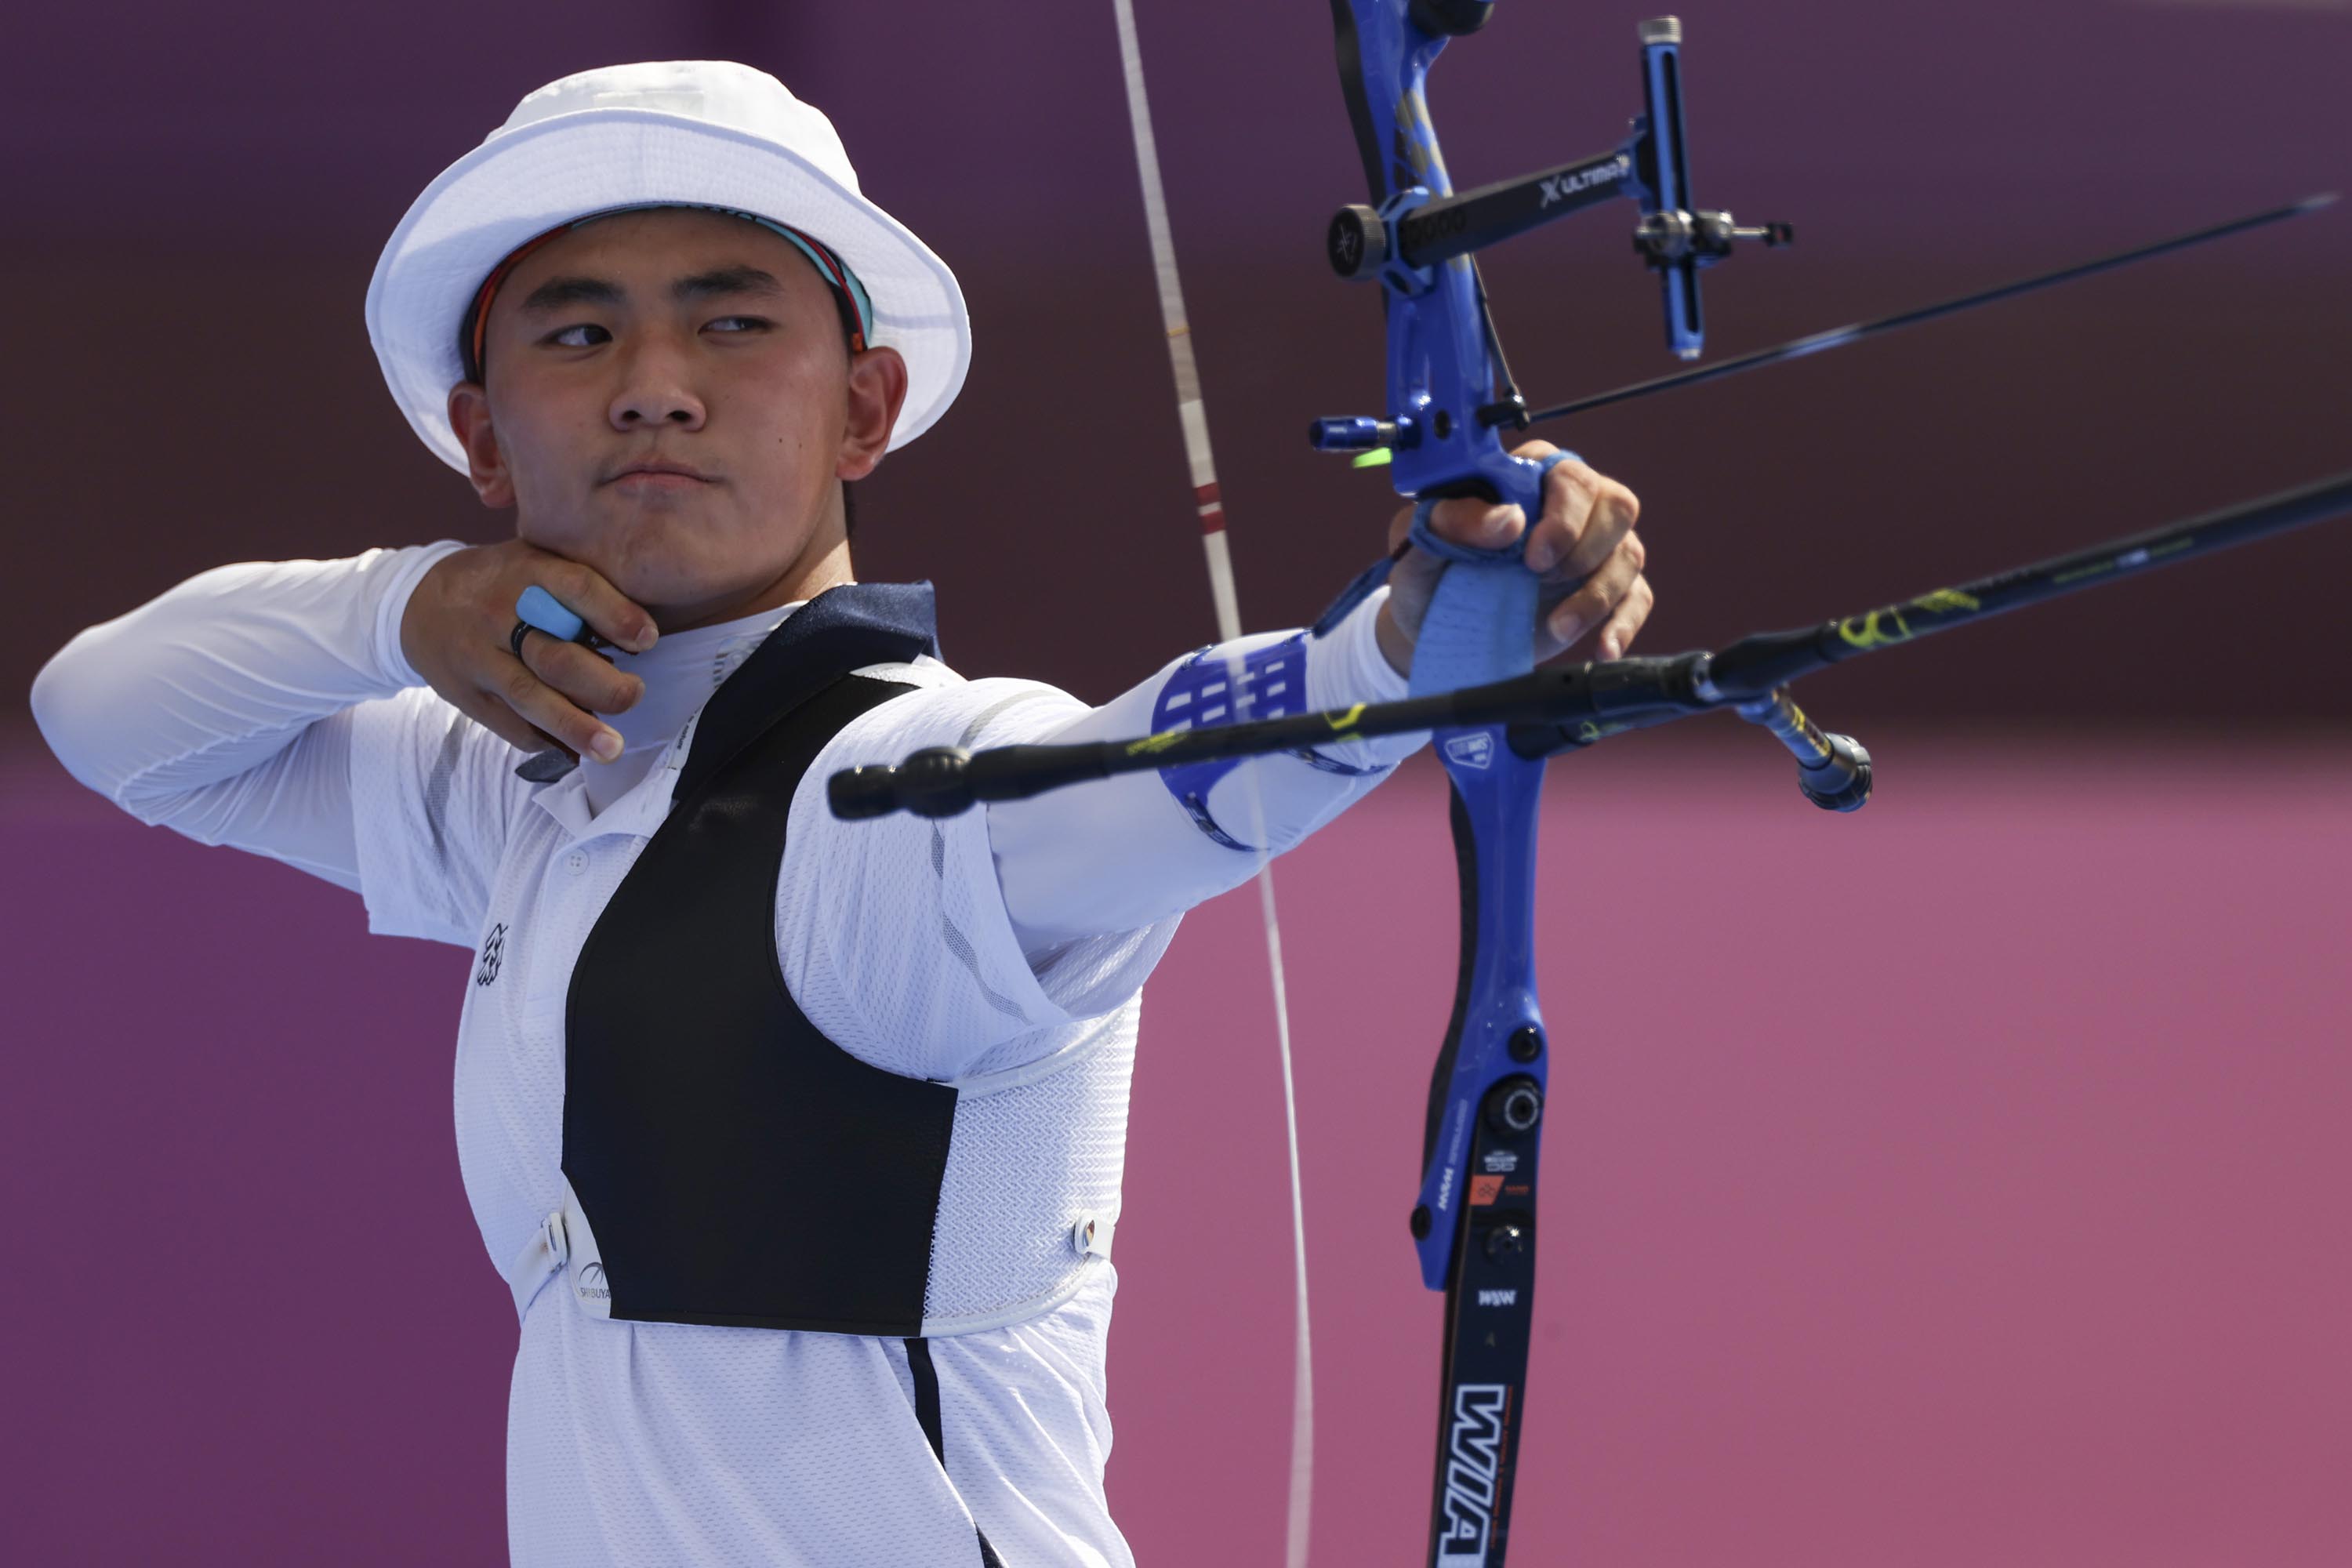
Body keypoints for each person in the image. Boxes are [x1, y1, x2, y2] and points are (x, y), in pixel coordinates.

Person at [28, 60, 1650, 1568]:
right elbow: (104, 715)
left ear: (865, 407)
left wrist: (1387, 655)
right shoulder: (527, 784)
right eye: (579, 335)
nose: (655, 388)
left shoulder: (905, 790)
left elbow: (1127, 781)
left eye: (733, 325)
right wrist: (404, 607)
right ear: (479, 433)